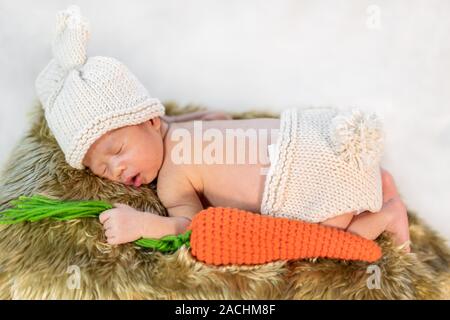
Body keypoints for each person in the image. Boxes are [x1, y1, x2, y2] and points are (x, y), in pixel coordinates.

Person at [35, 6, 410, 253]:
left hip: (298, 178)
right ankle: (382, 183)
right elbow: (220, 119)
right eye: (101, 168)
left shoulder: (173, 176)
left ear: (149, 119)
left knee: (334, 243)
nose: (115, 170)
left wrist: (142, 225)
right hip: (312, 138)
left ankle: (387, 215)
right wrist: (173, 125)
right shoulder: (183, 138)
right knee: (351, 198)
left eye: (117, 150)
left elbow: (191, 226)